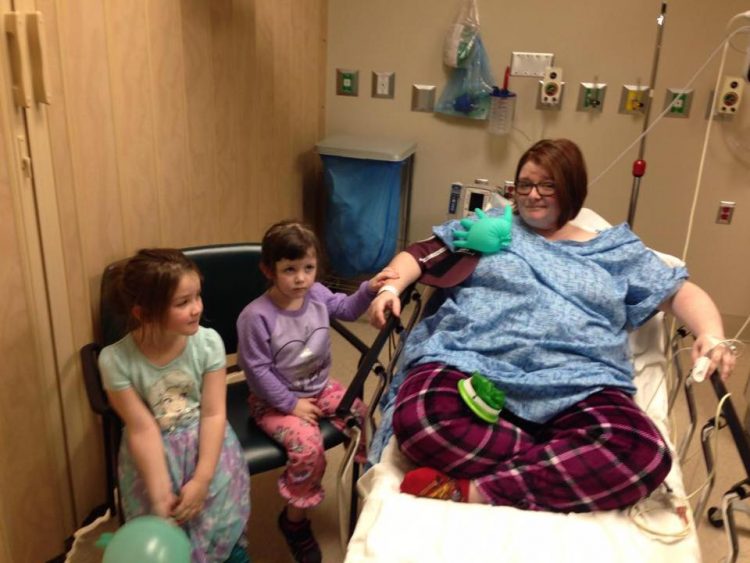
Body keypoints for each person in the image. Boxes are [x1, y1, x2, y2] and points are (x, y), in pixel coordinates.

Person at [368, 138, 737, 513]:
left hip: (578, 381)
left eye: (547, 185)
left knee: (642, 452)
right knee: (421, 417)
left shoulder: (614, 251)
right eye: (524, 184)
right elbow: (422, 253)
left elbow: (680, 292)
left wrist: (711, 333)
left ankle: (477, 490)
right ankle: (566, 457)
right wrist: (392, 287)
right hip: (474, 363)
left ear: (571, 189)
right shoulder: (492, 230)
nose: (532, 195)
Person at [236, 220, 397, 563]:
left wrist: (370, 289)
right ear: (269, 269)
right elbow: (257, 371)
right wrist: (290, 404)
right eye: (289, 269)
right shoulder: (256, 317)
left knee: (359, 411)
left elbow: (347, 308)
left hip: (319, 386)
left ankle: (361, 474)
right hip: (274, 401)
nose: (301, 278)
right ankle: (294, 521)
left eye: (308, 268)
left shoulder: (316, 294)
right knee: (309, 449)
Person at [98, 249, 250, 563]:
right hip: (153, 460)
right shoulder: (115, 360)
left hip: (207, 449)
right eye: (183, 302)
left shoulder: (208, 344)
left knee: (222, 526)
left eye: (197, 296)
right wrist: (158, 496)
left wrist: (203, 479)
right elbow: (142, 428)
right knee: (168, 534)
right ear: (143, 312)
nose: (197, 309)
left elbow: (213, 412)